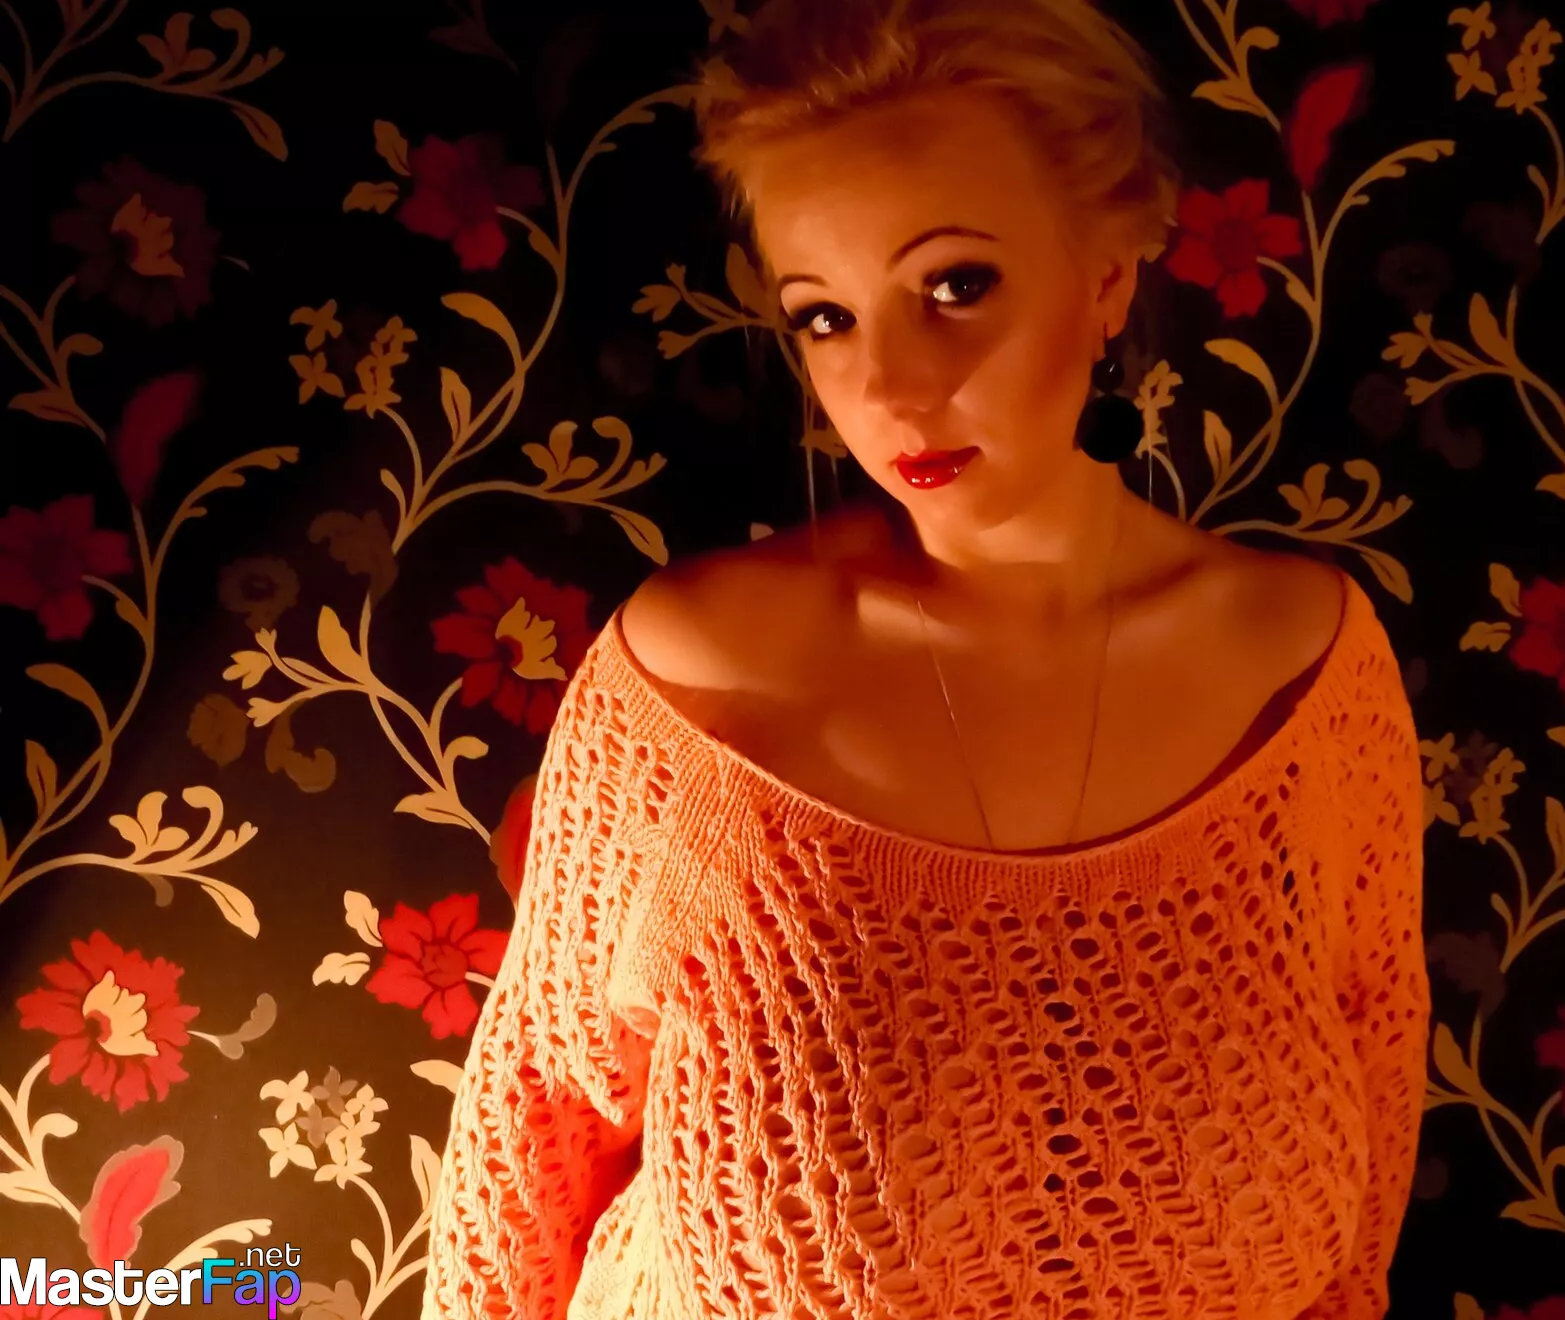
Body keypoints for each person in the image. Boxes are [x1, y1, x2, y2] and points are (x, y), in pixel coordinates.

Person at [422, 1, 1429, 1316]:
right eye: (826, 316)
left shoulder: (1303, 673)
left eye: (954, 287)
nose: (889, 389)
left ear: (1107, 276)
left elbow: (1373, 1116)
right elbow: (527, 1154)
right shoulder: (700, 690)